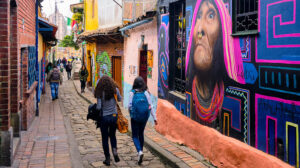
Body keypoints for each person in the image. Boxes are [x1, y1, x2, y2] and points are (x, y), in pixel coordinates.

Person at [185, 0, 245, 125]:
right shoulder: (188, 85)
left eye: (211, 16)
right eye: (198, 17)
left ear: (222, 31)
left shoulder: (237, 94)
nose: (199, 29)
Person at [128, 76, 157, 165]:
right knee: (141, 133)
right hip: (144, 117)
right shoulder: (146, 93)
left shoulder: (132, 93)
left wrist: (131, 114)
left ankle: (139, 151)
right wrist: (155, 118)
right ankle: (141, 151)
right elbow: (150, 106)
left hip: (135, 117)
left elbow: (129, 106)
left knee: (134, 135)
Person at [94, 75, 122, 166]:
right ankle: (115, 151)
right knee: (113, 135)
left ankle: (107, 158)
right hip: (114, 116)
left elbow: (98, 107)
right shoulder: (115, 90)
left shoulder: (100, 92)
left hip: (104, 118)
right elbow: (120, 99)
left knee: (105, 138)